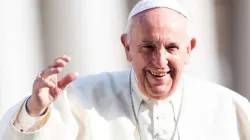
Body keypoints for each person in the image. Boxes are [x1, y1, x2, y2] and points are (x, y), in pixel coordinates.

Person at [0, 0, 250, 139]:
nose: (159, 61)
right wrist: (35, 109)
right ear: (127, 47)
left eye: (171, 48)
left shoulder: (232, 109)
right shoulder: (80, 98)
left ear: (189, 49)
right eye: (148, 47)